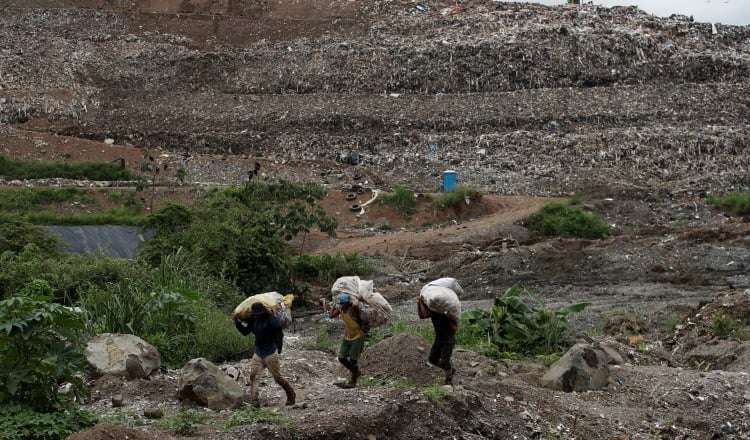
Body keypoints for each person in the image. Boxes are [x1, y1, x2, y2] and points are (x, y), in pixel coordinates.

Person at [234, 302, 295, 406]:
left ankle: (291, 395)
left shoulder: (271, 319)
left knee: (277, 378)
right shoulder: (253, 320)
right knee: (253, 376)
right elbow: (245, 332)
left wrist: (279, 348)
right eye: (255, 314)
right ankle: (255, 402)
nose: (256, 315)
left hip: (270, 352)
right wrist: (237, 322)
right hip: (258, 352)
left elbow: (279, 333)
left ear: (263, 312)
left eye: (258, 313)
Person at [328, 292, 368, 388]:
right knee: (341, 358)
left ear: (348, 303)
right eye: (340, 304)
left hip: (358, 335)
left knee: (353, 360)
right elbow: (331, 316)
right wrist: (334, 306)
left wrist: (355, 299)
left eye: (343, 303)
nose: (341, 305)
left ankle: (353, 381)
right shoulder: (341, 309)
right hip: (348, 335)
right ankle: (356, 372)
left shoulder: (353, 309)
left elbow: (357, 305)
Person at [418, 296, 458, 385]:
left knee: (444, 361)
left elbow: (455, 327)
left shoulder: (447, 314)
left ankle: (449, 381)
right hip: (439, 340)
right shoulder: (434, 313)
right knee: (432, 360)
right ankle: (450, 369)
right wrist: (419, 303)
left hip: (448, 341)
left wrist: (450, 318)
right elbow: (422, 315)